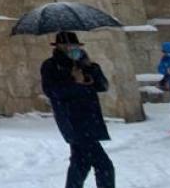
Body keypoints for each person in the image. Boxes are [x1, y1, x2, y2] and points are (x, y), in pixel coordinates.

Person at [41, 31, 115, 188]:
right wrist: (75, 82)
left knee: (80, 164)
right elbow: (53, 91)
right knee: (104, 165)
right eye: (68, 45)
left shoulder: (85, 64)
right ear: (60, 46)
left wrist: (90, 69)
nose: (72, 48)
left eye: (75, 45)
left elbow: (102, 86)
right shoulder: (51, 66)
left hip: (90, 119)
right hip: (72, 120)